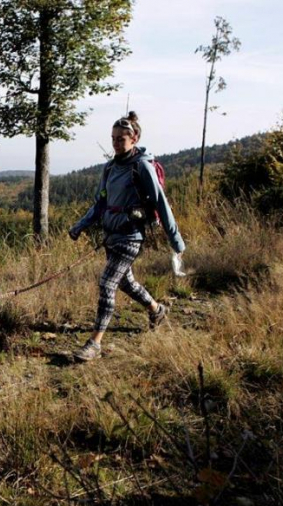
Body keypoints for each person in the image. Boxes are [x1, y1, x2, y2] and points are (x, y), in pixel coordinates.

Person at [68, 111, 185, 362]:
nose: (116, 143)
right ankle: (157, 310)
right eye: (113, 139)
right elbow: (100, 203)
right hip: (111, 234)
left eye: (121, 139)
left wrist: (175, 239)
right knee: (126, 283)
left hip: (132, 235)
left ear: (134, 138)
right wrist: (80, 225)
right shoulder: (110, 167)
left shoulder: (141, 166)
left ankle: (94, 343)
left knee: (107, 284)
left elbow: (160, 202)